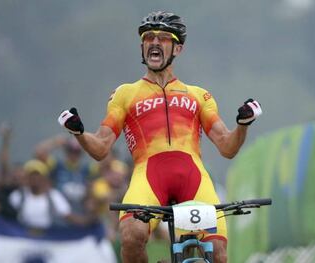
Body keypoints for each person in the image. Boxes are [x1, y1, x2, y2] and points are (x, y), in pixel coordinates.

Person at [57, 11, 262, 263]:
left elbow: (227, 146)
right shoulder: (125, 93)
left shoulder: (198, 95)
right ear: (142, 46)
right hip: (149, 176)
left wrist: (242, 125)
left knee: (219, 255)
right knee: (131, 236)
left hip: (193, 177)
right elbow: (101, 148)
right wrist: (78, 132)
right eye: (148, 37)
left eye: (164, 38)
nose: (154, 42)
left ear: (178, 49)